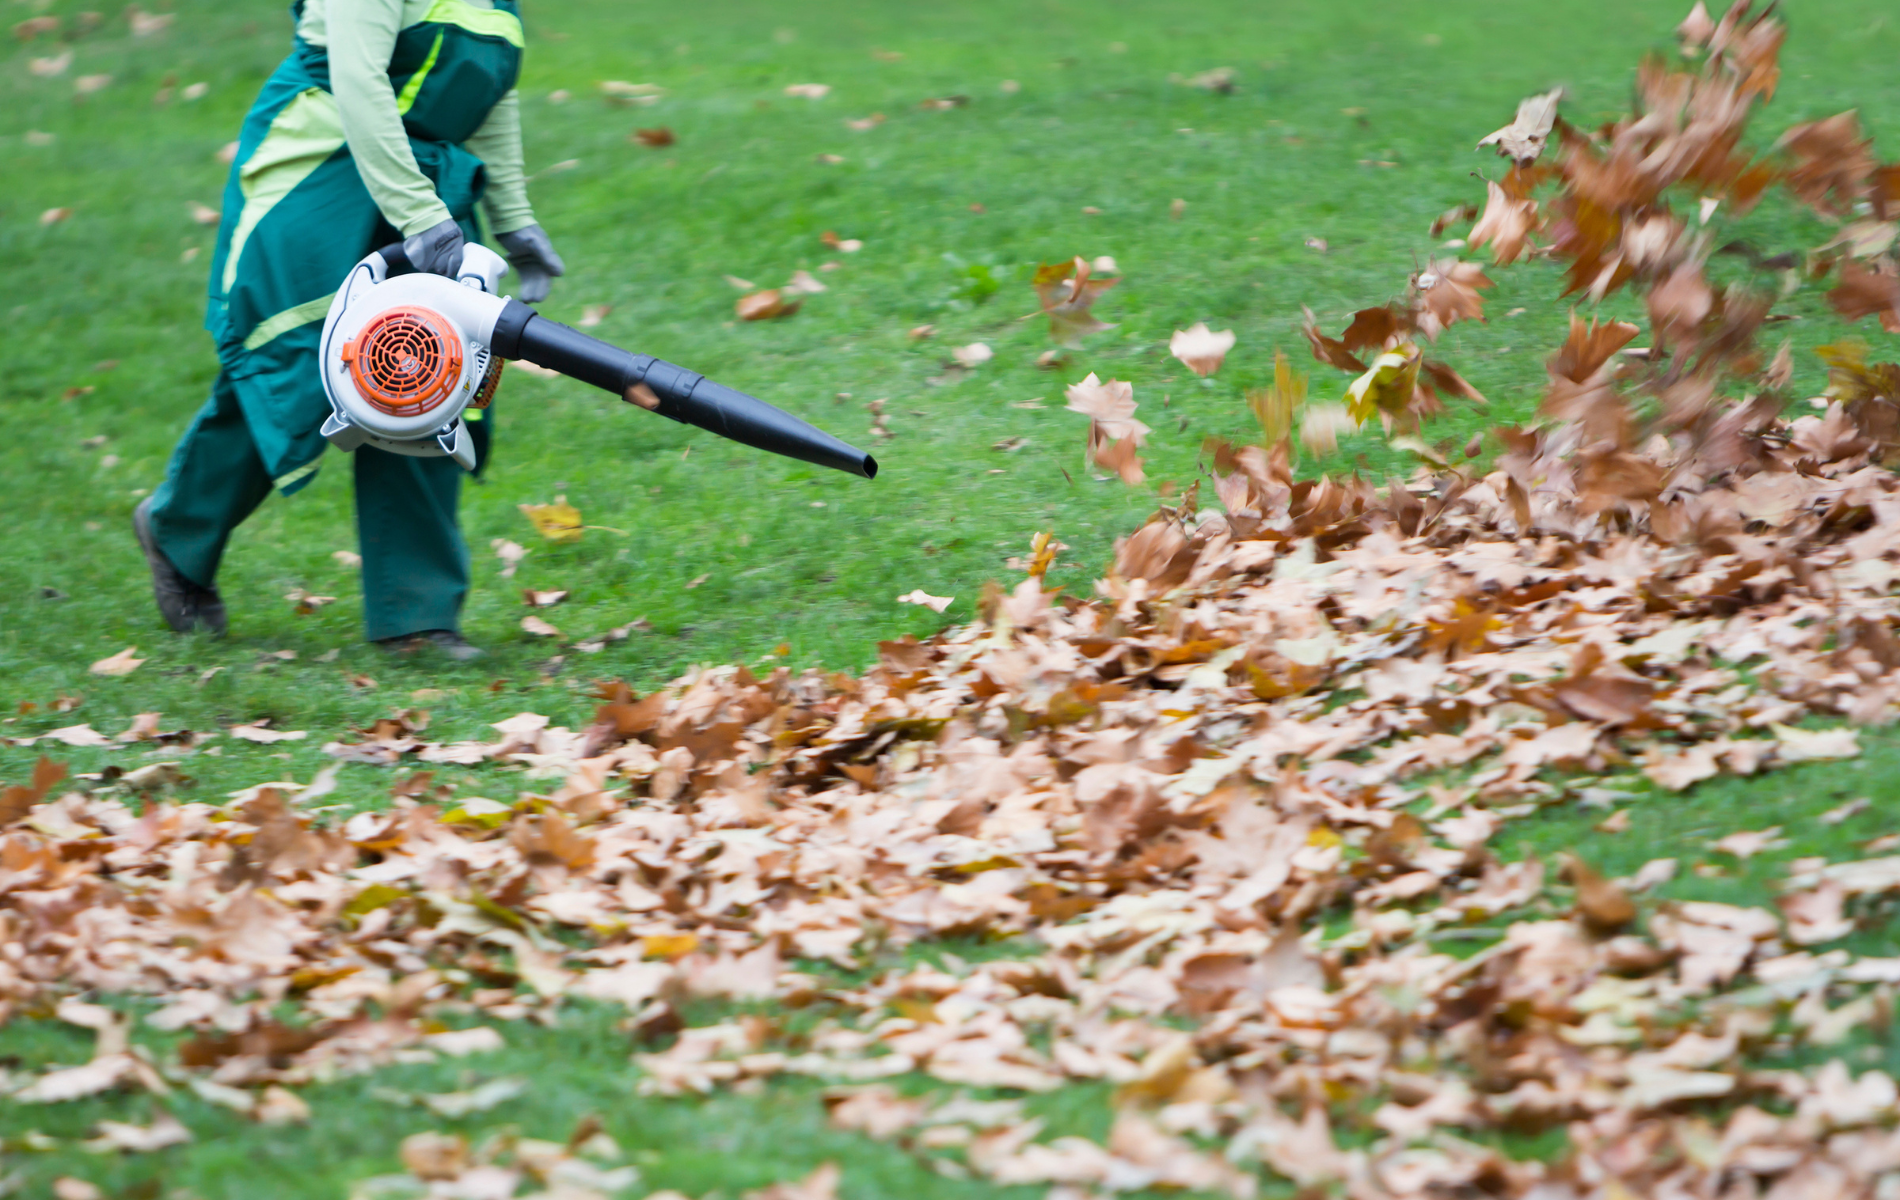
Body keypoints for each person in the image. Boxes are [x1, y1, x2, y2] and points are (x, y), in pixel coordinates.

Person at [133, 0, 564, 661]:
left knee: (427, 376)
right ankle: (178, 529)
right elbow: (360, 83)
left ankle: (415, 619)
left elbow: (490, 92)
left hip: (420, 185)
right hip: (322, 166)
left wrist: (513, 218)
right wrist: (419, 216)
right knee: (299, 370)